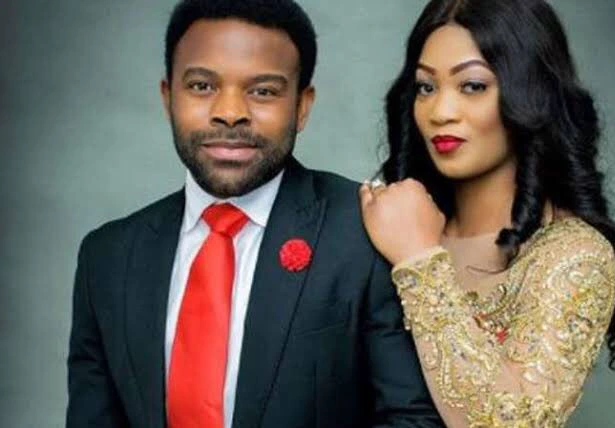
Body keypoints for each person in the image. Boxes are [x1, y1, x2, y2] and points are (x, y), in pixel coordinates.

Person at [66, 1, 443, 427]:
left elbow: (414, 420)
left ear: (302, 106)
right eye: (202, 86)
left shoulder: (366, 231)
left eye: (263, 91)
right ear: (168, 97)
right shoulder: (108, 258)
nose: (230, 113)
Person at [360, 0, 615, 426]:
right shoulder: (385, 224)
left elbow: (511, 423)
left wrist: (419, 260)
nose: (440, 112)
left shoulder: (572, 256)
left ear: (531, 95)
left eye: (472, 86)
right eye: (426, 87)